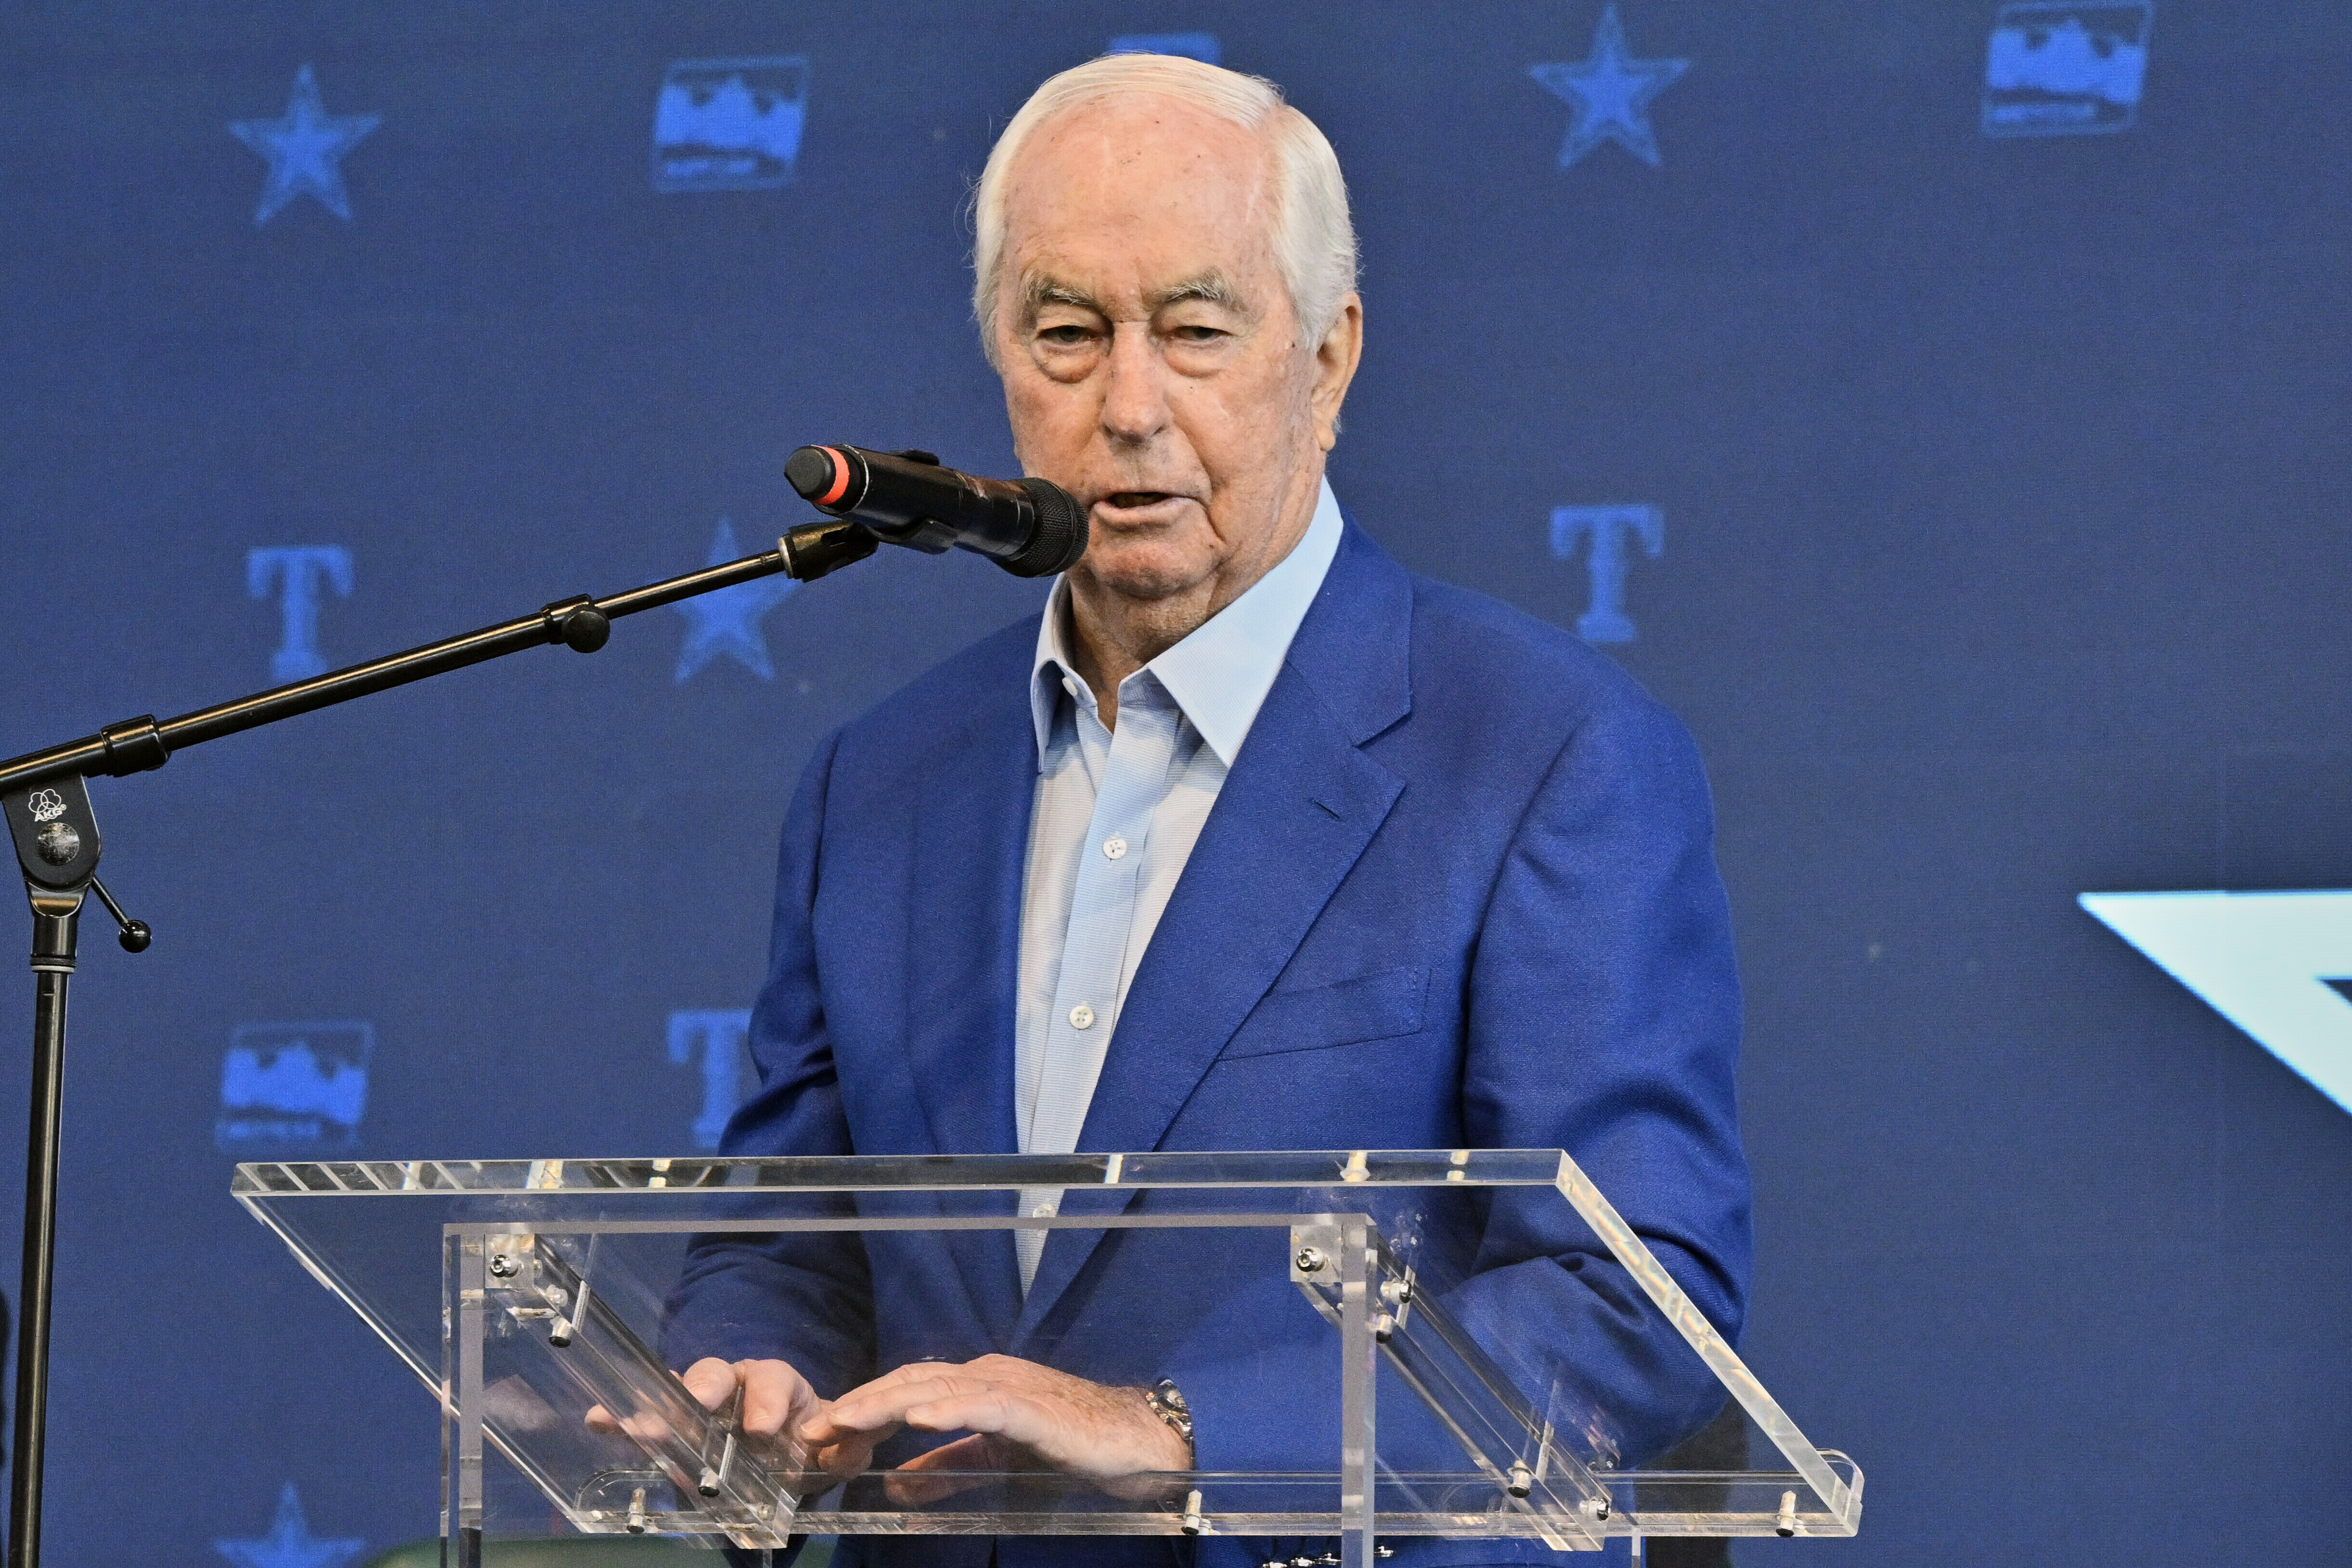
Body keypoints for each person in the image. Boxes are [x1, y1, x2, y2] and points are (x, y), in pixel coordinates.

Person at [660, 52, 1750, 1568]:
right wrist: (748, 1376)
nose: (1128, 405)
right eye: (1066, 334)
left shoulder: (1547, 751)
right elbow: (792, 1236)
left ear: (1327, 357)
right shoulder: (880, 781)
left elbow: (1636, 1295)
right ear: (998, 360)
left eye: (1194, 328)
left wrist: (1180, 1433)